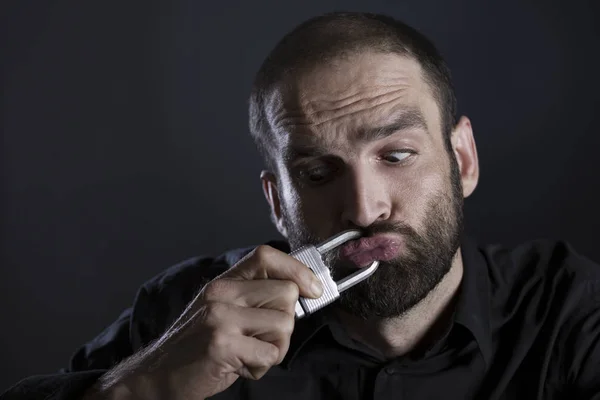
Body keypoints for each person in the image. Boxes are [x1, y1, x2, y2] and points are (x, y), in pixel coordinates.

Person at [2, 11, 600, 400]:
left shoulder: (567, 312)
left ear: (462, 159)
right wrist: (138, 388)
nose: (365, 209)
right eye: (317, 173)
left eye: (396, 156)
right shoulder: (190, 314)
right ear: (278, 202)